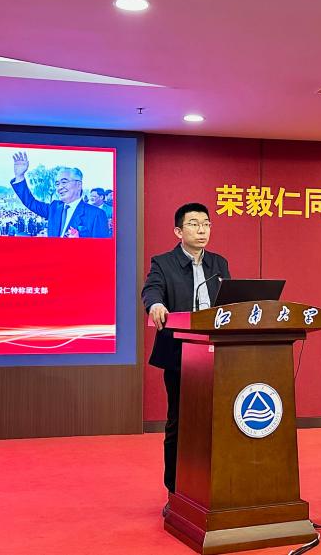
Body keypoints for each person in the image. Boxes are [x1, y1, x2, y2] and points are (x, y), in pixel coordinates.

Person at [141, 203, 230, 505]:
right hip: (180, 355)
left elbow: (230, 303)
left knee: (218, 422)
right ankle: (176, 490)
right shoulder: (163, 263)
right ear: (179, 231)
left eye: (206, 224)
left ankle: (215, 487)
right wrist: (155, 305)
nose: (202, 230)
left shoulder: (218, 264)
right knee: (179, 422)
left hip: (220, 356)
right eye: (194, 224)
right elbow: (152, 290)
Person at [9, 152, 110, 238]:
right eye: (57, 184)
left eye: (64, 182)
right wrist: (19, 176)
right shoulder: (54, 208)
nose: (60, 187)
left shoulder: (96, 214)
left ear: (79, 185)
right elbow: (30, 202)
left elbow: (101, 250)